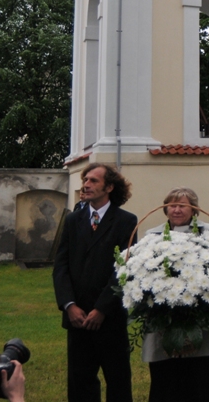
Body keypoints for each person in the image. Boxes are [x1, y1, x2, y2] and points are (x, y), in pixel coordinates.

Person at [53, 163, 137, 402]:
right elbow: (61, 266)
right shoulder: (73, 220)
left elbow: (124, 268)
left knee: (118, 381)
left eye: (93, 181)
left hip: (110, 317)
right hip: (77, 318)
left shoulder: (126, 221)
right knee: (80, 382)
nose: (86, 185)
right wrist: (69, 305)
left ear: (109, 187)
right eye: (85, 180)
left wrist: (101, 309)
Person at [142, 188, 209, 402]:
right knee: (167, 377)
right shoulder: (152, 235)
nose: (176, 210)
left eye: (182, 205)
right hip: (164, 315)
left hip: (200, 314)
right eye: (172, 205)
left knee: (201, 376)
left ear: (194, 209)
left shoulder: (208, 232)